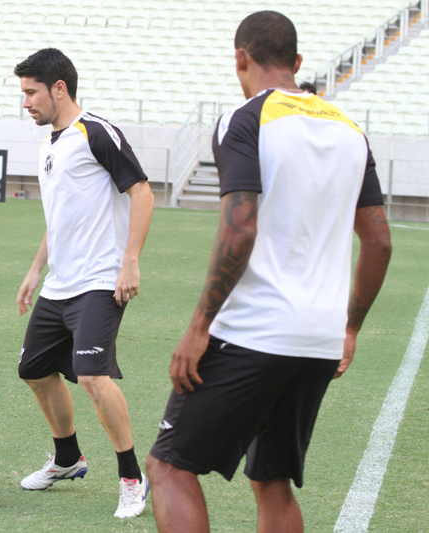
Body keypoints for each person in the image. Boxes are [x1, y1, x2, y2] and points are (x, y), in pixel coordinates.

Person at [145, 11, 392, 533]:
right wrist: (349, 327)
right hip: (320, 338)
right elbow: (378, 241)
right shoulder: (351, 131)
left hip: (255, 329)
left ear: (241, 57)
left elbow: (240, 230)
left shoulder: (245, 119)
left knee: (169, 467)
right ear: (297, 63)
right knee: (272, 481)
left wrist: (198, 327)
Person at [13, 48, 155, 519]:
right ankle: (68, 458)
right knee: (33, 369)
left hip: (100, 281)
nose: (26, 102)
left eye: (31, 92)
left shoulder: (96, 133)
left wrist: (130, 261)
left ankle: (133, 478)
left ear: (59, 88)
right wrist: (36, 271)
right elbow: (61, 220)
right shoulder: (48, 145)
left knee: (93, 376)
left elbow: (142, 192)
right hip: (60, 284)